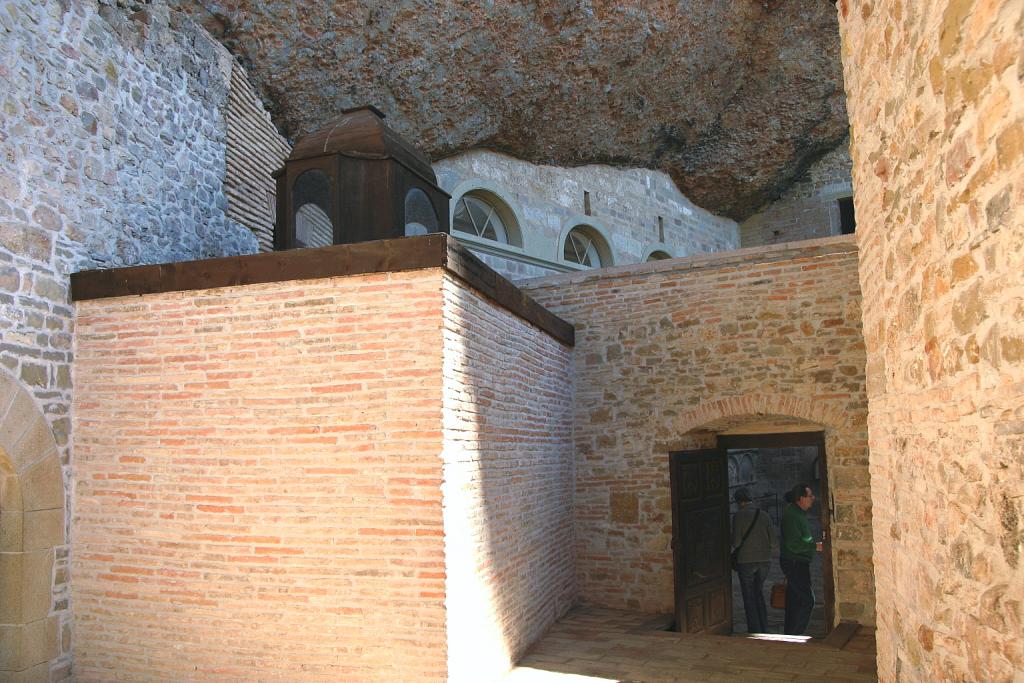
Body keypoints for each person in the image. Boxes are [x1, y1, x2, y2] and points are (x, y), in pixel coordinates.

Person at [779, 482, 823, 635]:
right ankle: (795, 635)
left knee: (794, 601)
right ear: (800, 498)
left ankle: (790, 634)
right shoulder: (792, 515)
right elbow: (793, 544)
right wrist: (813, 547)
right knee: (806, 600)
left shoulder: (797, 513)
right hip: (794, 562)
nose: (813, 498)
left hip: (798, 562)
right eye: (810, 496)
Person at [731, 488, 774, 633]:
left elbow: (736, 542)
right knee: (759, 593)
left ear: (738, 502)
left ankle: (754, 630)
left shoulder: (738, 516)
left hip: (746, 561)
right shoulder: (765, 515)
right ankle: (764, 626)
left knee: (749, 597)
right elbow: (773, 541)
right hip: (765, 561)